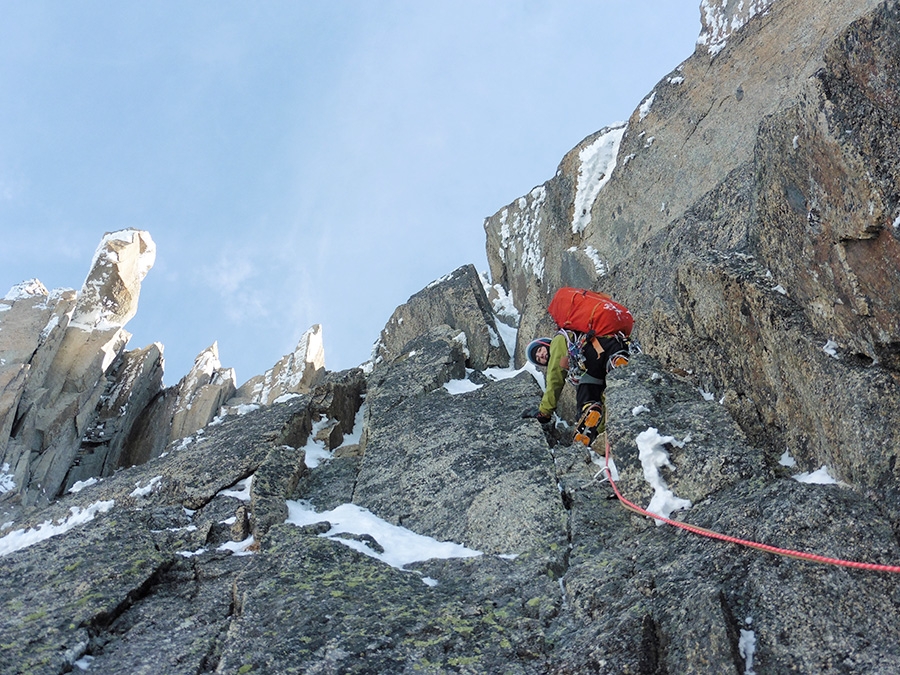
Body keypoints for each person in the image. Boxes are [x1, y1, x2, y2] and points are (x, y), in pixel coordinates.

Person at [523, 330, 629, 447]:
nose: (541, 355)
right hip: (613, 348)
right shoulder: (575, 336)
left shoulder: (558, 341)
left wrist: (545, 412)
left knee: (583, 389)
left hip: (592, 355)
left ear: (546, 343)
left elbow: (555, 379)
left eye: (539, 350)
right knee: (597, 391)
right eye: (539, 359)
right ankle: (600, 428)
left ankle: (588, 409)